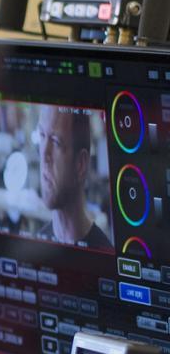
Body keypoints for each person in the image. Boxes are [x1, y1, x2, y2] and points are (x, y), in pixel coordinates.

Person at [36, 105, 111, 249]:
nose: (44, 155)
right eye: (42, 135)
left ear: (80, 164)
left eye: (56, 141)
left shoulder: (104, 258)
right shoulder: (37, 245)